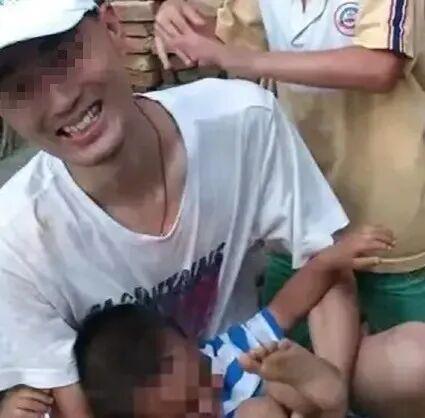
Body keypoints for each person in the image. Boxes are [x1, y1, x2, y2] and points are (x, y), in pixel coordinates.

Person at [0, 1, 368, 417]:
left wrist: (326, 403)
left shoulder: (241, 120)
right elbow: (65, 396)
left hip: (247, 373)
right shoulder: (14, 242)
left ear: (113, 28)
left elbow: (323, 262)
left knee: (407, 361)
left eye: (65, 56)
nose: (61, 99)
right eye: (19, 87)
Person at [154, 0, 425, 417]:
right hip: (299, 209)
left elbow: (379, 66)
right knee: (287, 368)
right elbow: (225, 41)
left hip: (390, 215)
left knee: (409, 377)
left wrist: (236, 58)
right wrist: (176, 22)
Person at [74, 227, 390, 418]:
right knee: (257, 412)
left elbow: (288, 305)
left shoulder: (230, 355)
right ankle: (318, 385)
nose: (209, 397)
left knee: (276, 384)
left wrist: (328, 261)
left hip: (307, 407)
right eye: (187, 411)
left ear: (192, 344)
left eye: (203, 375)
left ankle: (310, 382)